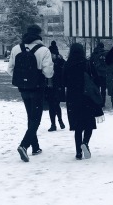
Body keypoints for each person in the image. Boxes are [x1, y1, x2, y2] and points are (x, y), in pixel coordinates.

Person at [7, 24, 54, 162]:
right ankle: (24, 145)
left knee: (30, 116)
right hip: (37, 88)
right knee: (36, 119)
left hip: (23, 88)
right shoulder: (43, 50)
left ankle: (35, 147)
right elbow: (48, 72)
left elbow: (10, 69)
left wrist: (23, 78)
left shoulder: (16, 49)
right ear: (39, 34)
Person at [64, 43, 104, 160]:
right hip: (87, 97)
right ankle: (85, 142)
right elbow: (97, 79)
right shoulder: (87, 63)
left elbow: (64, 81)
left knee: (77, 127)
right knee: (88, 124)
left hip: (72, 97)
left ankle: (78, 152)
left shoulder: (68, 64)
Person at [46, 42, 66, 132]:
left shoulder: (57, 62)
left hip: (53, 86)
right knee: (53, 105)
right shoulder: (61, 61)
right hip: (56, 86)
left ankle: (55, 123)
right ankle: (57, 122)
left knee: (54, 105)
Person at [90, 42, 108, 107]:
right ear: (103, 47)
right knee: (103, 90)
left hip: (95, 74)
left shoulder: (94, 54)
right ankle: (102, 103)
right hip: (104, 74)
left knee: (96, 89)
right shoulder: (106, 54)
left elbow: (90, 63)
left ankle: (97, 102)